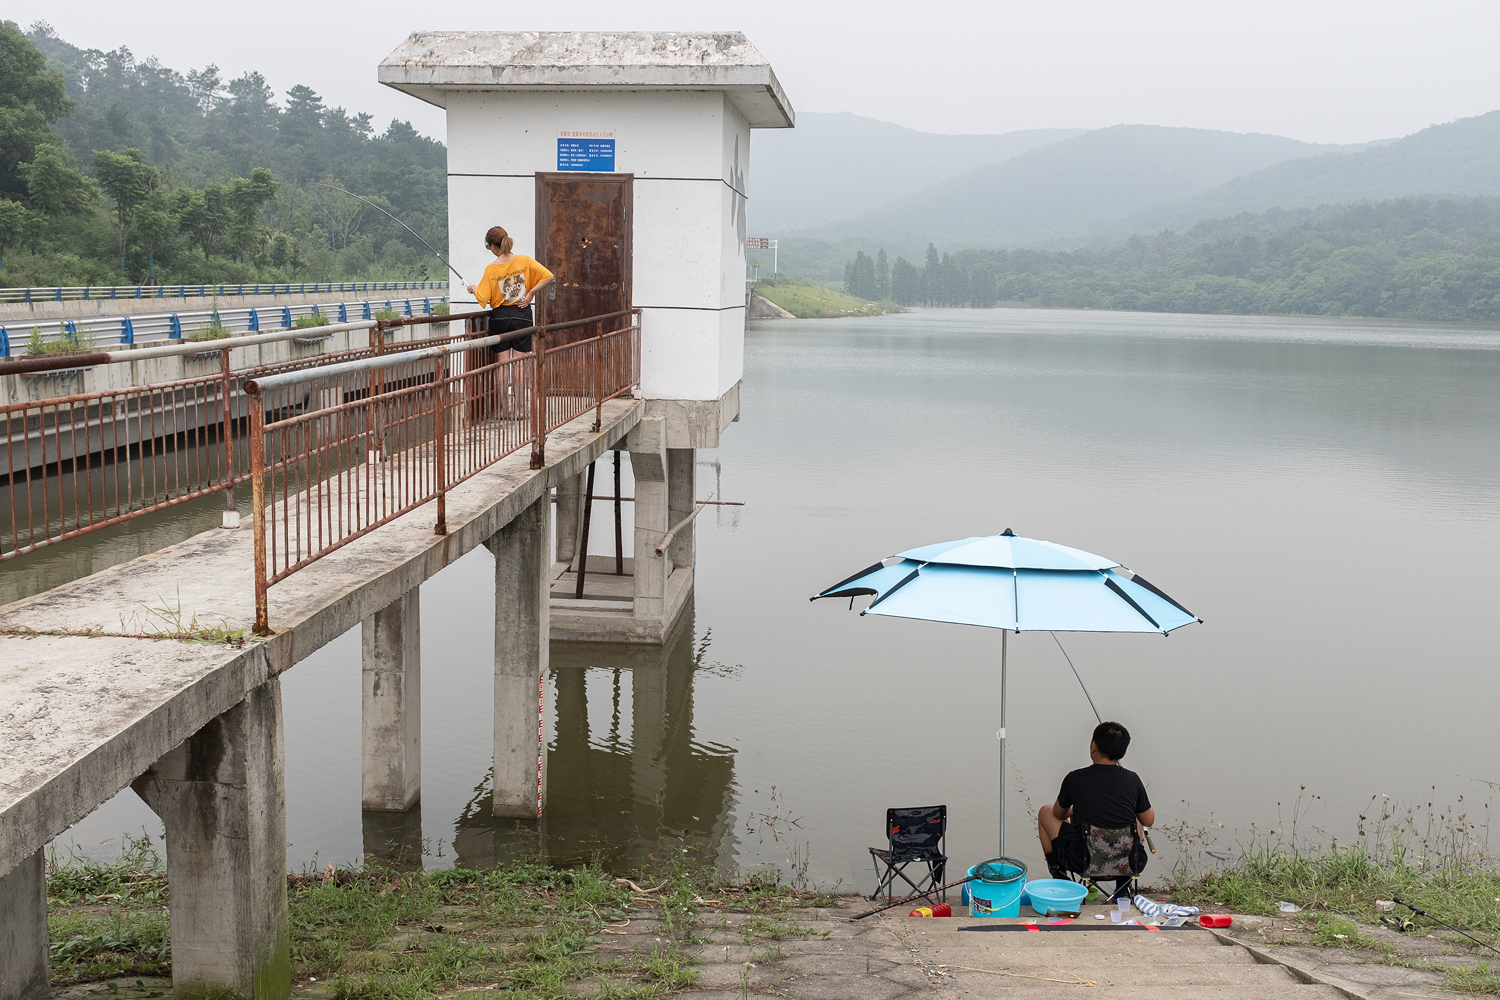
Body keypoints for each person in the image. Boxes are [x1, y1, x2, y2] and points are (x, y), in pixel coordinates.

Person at [1037, 721, 1155, 881]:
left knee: (1045, 811)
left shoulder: (1074, 778)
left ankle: (1059, 876)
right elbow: (1149, 820)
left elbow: (1057, 813)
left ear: (1093, 746)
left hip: (1083, 862)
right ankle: (1122, 887)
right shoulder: (1133, 779)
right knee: (1136, 817)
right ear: (1124, 752)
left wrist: (1076, 809)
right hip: (1130, 863)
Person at [465, 225, 554, 416]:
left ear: (493, 247)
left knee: (503, 364)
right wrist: (530, 294)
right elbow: (548, 276)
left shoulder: (491, 269)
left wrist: (472, 288)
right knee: (520, 364)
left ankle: (504, 408)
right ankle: (521, 409)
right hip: (521, 315)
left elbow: (483, 299)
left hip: (501, 317)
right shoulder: (524, 261)